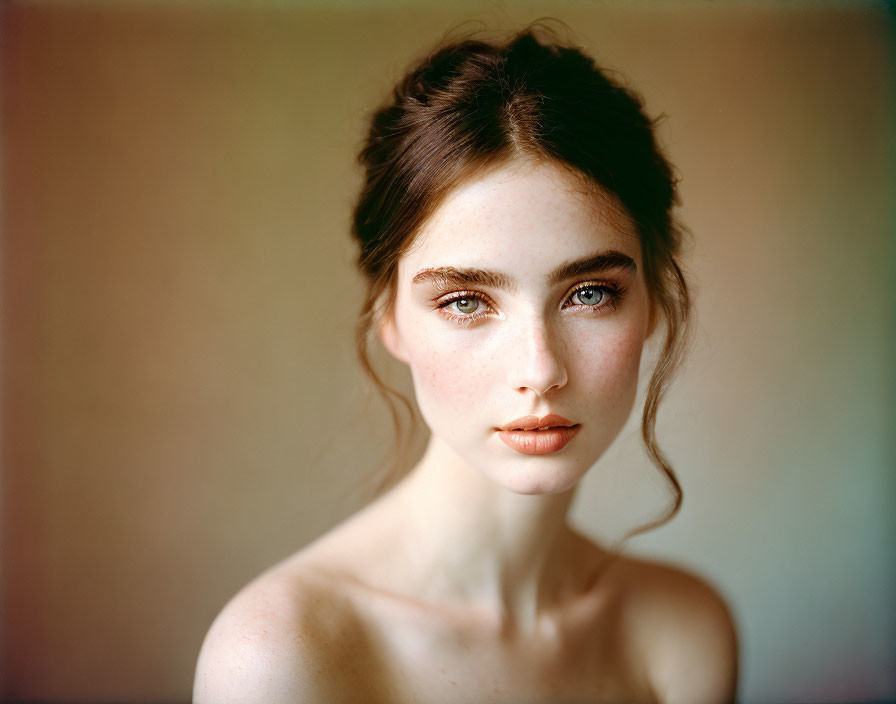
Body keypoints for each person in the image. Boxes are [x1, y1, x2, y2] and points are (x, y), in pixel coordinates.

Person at [193, 25, 738, 704]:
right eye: (465, 301)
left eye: (589, 294)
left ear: (653, 298)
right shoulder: (283, 657)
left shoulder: (682, 633)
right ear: (388, 316)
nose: (540, 371)